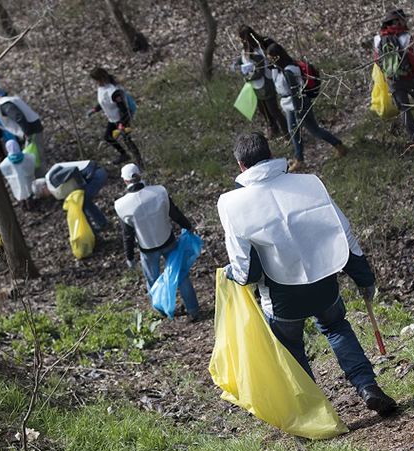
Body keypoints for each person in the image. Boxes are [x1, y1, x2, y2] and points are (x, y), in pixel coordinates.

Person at [217, 132, 396, 416]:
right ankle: (367, 386)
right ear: (269, 153)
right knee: (337, 327)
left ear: (240, 166)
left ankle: (317, 414)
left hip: (282, 296)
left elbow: (245, 270)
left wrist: (232, 275)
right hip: (324, 282)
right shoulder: (309, 183)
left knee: (291, 350)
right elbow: (342, 232)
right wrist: (363, 276)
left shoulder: (230, 203)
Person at [114, 163, 200, 320]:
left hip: (147, 248)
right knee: (181, 275)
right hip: (168, 241)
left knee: (152, 281)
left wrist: (129, 256)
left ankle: (161, 310)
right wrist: (187, 226)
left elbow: (127, 234)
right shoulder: (159, 191)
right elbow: (174, 213)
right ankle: (193, 309)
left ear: (125, 181)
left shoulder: (121, 205)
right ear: (140, 175)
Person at [265, 43, 347, 173]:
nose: (269, 60)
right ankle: (299, 159)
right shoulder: (280, 69)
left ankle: (337, 145)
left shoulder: (289, 71)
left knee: (313, 130)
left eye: (271, 58)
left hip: (298, 104)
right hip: (290, 105)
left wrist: (298, 112)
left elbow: (295, 93)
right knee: (294, 132)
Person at [374, 9, 414, 145]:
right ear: (396, 21)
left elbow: (377, 61)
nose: (405, 21)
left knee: (405, 110)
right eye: (403, 19)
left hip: (393, 82)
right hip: (410, 78)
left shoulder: (378, 39)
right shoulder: (405, 37)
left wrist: (390, 73)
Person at [232, 26, 288, 140]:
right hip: (257, 86)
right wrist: (236, 62)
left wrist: (248, 78)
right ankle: (274, 129)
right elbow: (243, 57)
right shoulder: (246, 49)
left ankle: (287, 133)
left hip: (265, 85)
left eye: (238, 37)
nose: (236, 39)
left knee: (273, 110)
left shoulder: (257, 52)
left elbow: (260, 72)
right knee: (264, 110)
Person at [32, 159, 108, 233]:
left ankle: (93, 232)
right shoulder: (52, 180)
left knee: (82, 203)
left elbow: (73, 170)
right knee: (83, 202)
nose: (46, 196)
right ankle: (102, 224)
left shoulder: (54, 179)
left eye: (43, 194)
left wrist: (82, 185)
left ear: (44, 187)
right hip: (96, 173)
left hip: (96, 174)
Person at [85, 67, 142, 166]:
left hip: (122, 118)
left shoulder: (114, 92)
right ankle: (124, 154)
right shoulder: (101, 89)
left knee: (127, 140)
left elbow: (124, 110)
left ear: (99, 79)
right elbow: (104, 103)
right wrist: (95, 110)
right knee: (107, 137)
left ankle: (140, 162)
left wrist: (122, 124)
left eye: (94, 79)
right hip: (112, 119)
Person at [0, 94, 46, 176]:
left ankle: (42, 179)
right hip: (33, 128)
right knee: (37, 156)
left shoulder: (4, 105)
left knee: (36, 157)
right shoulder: (8, 101)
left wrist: (27, 133)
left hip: (31, 131)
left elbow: (19, 117)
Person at [0, 139, 37, 210]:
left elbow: (3, 169)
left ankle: (23, 203)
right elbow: (32, 160)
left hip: (16, 183)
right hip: (28, 180)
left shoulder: (5, 163)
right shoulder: (28, 157)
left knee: (19, 191)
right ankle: (31, 202)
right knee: (29, 190)